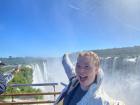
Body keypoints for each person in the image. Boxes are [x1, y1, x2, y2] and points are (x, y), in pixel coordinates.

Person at [55, 51, 125, 105]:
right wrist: (64, 57)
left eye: (87, 66)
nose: (81, 71)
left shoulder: (98, 100)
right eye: (78, 66)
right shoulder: (75, 81)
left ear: (96, 70)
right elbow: (69, 69)